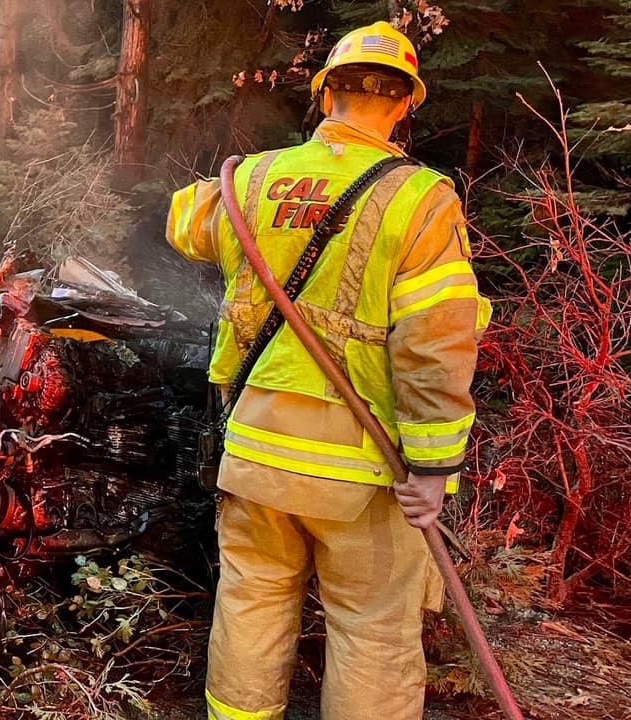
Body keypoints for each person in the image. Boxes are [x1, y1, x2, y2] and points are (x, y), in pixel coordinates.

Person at [166, 21, 492, 720]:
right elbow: (435, 344)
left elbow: (183, 221)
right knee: (372, 630)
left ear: (323, 96)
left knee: (251, 603)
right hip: (364, 468)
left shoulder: (250, 179)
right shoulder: (421, 198)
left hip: (255, 453)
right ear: (404, 105)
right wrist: (433, 469)